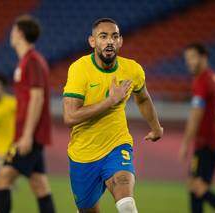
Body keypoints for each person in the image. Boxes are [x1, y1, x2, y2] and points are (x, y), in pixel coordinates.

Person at [63, 17, 163, 213]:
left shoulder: (132, 70)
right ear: (92, 42)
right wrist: (110, 101)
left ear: (120, 41)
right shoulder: (79, 69)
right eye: (103, 36)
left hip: (117, 146)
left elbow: (143, 99)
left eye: (114, 36)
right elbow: (70, 117)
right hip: (83, 154)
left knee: (126, 203)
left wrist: (156, 127)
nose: (110, 41)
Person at [0, 15, 55, 213]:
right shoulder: (26, 62)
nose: (10, 34)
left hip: (30, 135)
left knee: (3, 177)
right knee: (39, 184)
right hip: (26, 133)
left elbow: (37, 98)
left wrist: (27, 134)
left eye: (13, 30)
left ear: (19, 33)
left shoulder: (33, 62)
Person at [179, 43, 215, 213]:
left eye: (192, 58)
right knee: (195, 189)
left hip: (205, 143)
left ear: (203, 57)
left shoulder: (202, 81)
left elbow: (195, 115)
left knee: (196, 186)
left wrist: (185, 143)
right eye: (187, 59)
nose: (189, 62)